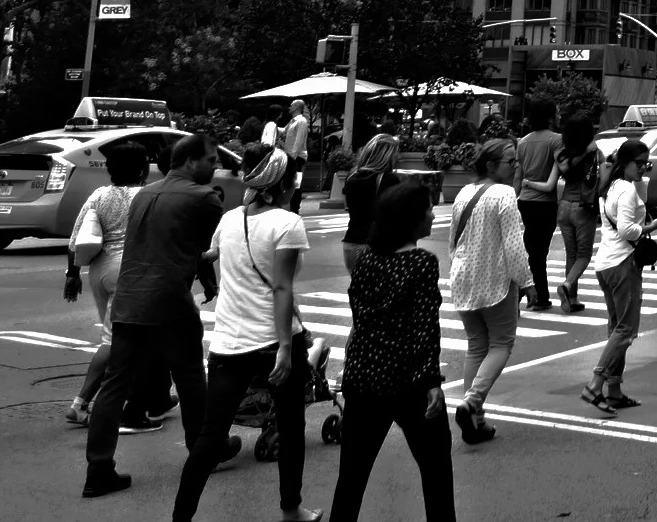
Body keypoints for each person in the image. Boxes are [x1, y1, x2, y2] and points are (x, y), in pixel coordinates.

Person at [84, 132, 236, 498]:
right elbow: (201, 249)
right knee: (189, 377)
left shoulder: (145, 193)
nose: (216, 167)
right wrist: (209, 281)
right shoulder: (205, 198)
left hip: (129, 300)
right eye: (211, 160)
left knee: (114, 384)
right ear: (188, 162)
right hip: (169, 300)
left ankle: (99, 469)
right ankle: (203, 451)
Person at [176, 145, 319, 522]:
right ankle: (292, 509)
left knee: (209, 437)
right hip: (274, 343)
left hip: (227, 344)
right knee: (290, 428)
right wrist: (287, 348)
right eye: (293, 179)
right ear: (281, 184)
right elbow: (282, 288)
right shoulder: (287, 223)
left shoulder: (229, 220)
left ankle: (181, 517)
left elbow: (211, 257)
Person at [324, 182, 454, 522]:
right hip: (407, 380)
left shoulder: (367, 259)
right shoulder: (421, 262)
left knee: (351, 479)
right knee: (437, 473)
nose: (432, 214)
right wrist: (431, 382)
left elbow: (360, 320)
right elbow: (425, 326)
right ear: (413, 218)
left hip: (364, 377)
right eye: (428, 208)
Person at [444, 139, 529, 443]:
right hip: (495, 280)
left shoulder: (463, 193)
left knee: (476, 346)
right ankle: (471, 403)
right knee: (502, 344)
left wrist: (461, 267)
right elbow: (514, 244)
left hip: (464, 279)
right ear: (492, 166)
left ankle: (476, 421)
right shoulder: (505, 194)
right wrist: (527, 282)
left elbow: (453, 241)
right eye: (510, 161)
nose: (515, 166)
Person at [65, 140, 154, 426]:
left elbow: (76, 238)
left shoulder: (99, 195)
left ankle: (148, 398)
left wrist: (72, 274)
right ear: (143, 168)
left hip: (99, 271)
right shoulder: (147, 196)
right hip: (129, 272)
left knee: (121, 338)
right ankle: (81, 404)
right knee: (115, 341)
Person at [582, 139, 651, 413]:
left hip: (605, 264)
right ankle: (595, 385)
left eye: (647, 162)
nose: (644, 168)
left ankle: (615, 390)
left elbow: (631, 211)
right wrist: (649, 227)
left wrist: (642, 180)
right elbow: (627, 230)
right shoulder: (626, 191)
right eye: (640, 163)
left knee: (616, 329)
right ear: (625, 162)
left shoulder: (610, 186)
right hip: (623, 265)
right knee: (626, 329)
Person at [511, 97, 563, 313]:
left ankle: (531, 292)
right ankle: (534, 293)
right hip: (545, 202)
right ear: (550, 117)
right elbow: (562, 168)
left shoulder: (522, 142)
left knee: (533, 247)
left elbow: (518, 175)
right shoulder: (557, 140)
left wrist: (513, 199)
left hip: (524, 200)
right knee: (539, 251)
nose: (560, 116)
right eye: (557, 113)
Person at [554, 118, 604, 316]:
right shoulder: (595, 154)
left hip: (564, 207)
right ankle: (566, 286)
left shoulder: (562, 155)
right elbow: (602, 180)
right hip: (583, 208)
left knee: (571, 254)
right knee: (584, 255)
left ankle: (572, 299)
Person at [340, 135, 402, 274]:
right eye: (395, 154)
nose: (398, 158)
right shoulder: (388, 180)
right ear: (387, 156)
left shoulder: (352, 176)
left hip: (351, 242)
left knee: (359, 291)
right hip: (376, 245)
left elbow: (347, 206)